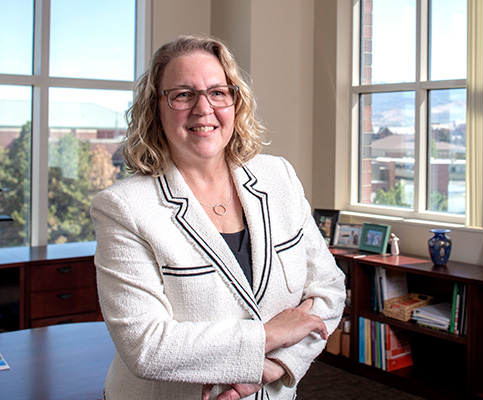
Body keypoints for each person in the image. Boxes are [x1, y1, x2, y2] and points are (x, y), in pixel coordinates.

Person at [90, 34, 346, 400]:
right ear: (155, 108)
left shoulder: (280, 178)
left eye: (218, 92)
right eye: (182, 94)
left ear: (235, 103)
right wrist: (269, 336)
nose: (203, 108)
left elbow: (329, 290)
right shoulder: (123, 207)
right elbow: (146, 346)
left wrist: (278, 365)